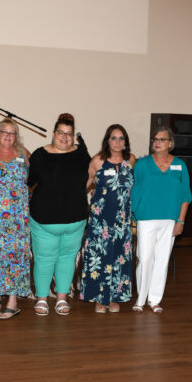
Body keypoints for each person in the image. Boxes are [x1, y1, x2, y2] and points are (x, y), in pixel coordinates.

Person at [28, 113, 90, 316]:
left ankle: (62, 298)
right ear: (54, 133)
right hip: (44, 220)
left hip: (76, 220)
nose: (64, 137)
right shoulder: (39, 155)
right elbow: (29, 183)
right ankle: (42, 299)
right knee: (44, 259)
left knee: (67, 259)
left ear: (73, 136)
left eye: (69, 133)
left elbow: (90, 177)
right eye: (61, 133)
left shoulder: (81, 154)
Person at [131, 126, 192, 314]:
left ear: (170, 143)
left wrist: (181, 221)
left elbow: (185, 195)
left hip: (170, 219)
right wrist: (133, 214)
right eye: (155, 139)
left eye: (162, 139)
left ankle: (154, 299)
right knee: (145, 258)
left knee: (162, 260)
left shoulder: (180, 165)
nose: (157, 142)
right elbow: (134, 190)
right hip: (146, 217)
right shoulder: (142, 164)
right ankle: (140, 299)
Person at [0, 118, 32, 319]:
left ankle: (12, 302)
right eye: (4, 132)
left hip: (16, 219)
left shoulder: (23, 154)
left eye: (12, 133)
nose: (8, 136)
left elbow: (34, 180)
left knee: (14, 257)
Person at [80, 124, 136, 314]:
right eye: (114, 138)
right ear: (107, 140)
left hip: (122, 221)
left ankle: (113, 297)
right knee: (100, 257)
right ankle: (99, 298)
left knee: (119, 258)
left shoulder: (131, 160)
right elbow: (84, 186)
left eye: (121, 138)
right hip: (101, 220)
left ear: (125, 141)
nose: (117, 142)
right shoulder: (98, 161)